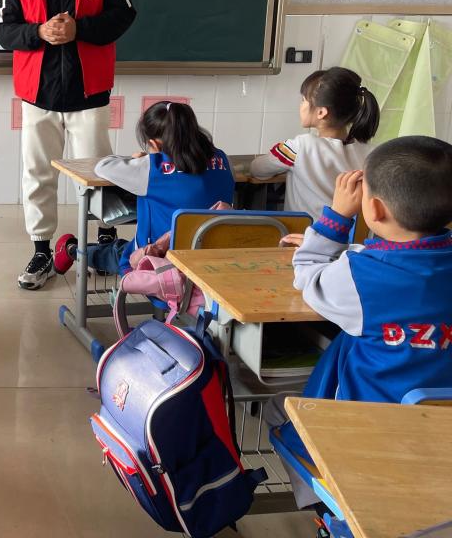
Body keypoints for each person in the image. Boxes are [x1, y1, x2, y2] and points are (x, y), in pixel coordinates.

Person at [267, 136, 452, 509]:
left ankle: (328, 509)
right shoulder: (363, 268)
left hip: (365, 432)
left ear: (375, 209)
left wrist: (336, 220)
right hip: (440, 438)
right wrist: (353, 253)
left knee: (278, 409)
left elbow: (307, 275)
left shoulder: (359, 276)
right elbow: (410, 262)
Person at [0, 0, 136, 290]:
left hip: (88, 92)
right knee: (37, 173)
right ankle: (42, 249)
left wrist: (80, 30)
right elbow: (3, 30)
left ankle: (106, 242)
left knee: (99, 171)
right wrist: (39, 32)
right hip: (38, 94)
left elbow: (124, 14)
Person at [56, 102, 234, 278]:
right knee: (125, 247)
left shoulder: (151, 167)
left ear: (154, 144)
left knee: (119, 254)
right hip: (212, 260)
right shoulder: (223, 159)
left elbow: (102, 167)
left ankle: (71, 249)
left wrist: (137, 159)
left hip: (160, 262)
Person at [251, 67, 379, 218]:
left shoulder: (298, 147)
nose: (301, 106)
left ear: (321, 112)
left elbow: (257, 169)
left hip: (308, 232)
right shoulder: (372, 153)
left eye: (303, 100)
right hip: (350, 232)